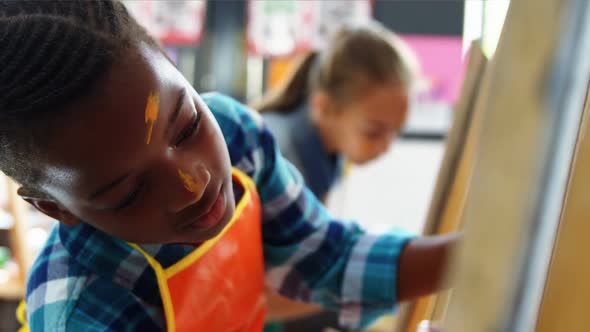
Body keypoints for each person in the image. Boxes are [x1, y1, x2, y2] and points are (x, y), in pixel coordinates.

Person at [0, 1, 457, 331]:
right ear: (59, 208)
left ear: (167, 61)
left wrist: (473, 257)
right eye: (130, 192)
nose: (192, 183)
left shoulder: (237, 135)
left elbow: (327, 258)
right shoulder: (85, 311)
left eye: (186, 128)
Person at [256, 21, 417, 202]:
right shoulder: (274, 156)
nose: (387, 147)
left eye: (397, 130)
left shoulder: (329, 157)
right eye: (374, 132)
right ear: (323, 108)